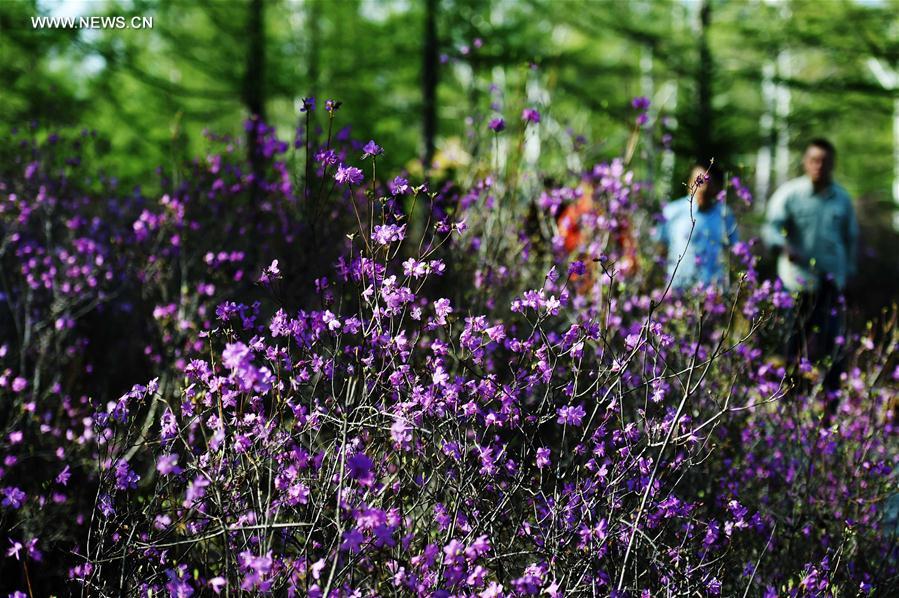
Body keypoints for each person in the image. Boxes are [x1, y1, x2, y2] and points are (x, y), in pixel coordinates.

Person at [762, 138, 859, 389]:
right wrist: (783, 247)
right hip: (796, 284)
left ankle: (829, 401)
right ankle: (790, 397)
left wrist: (848, 276)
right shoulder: (790, 194)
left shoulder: (842, 200)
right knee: (792, 344)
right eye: (814, 160)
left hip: (830, 284)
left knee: (831, 347)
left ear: (832, 164)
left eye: (824, 161)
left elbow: (851, 241)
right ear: (806, 162)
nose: (819, 165)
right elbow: (771, 228)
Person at [655, 163, 739, 290]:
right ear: (690, 183)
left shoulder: (725, 215)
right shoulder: (672, 212)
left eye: (707, 182)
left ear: (716, 187)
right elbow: (660, 249)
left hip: (713, 292)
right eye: (698, 181)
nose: (703, 188)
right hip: (678, 288)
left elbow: (733, 252)